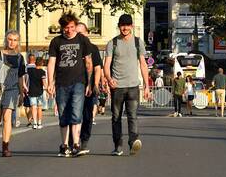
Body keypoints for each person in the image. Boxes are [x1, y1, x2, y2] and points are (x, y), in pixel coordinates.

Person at [47, 13, 94, 158]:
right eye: (66, 28)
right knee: (63, 114)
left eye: (72, 27)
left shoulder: (82, 40)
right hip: (61, 83)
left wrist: (89, 82)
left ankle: (76, 144)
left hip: (79, 82)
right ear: (62, 28)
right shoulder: (56, 42)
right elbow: (52, 62)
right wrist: (50, 82)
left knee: (76, 113)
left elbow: (88, 63)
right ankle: (64, 145)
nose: (69, 30)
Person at [104, 14, 150, 156]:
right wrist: (109, 78)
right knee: (116, 116)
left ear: (131, 26)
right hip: (117, 86)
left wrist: (147, 85)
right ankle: (118, 146)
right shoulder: (113, 43)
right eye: (122, 25)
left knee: (133, 115)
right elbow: (106, 65)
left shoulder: (138, 42)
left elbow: (143, 64)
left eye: (127, 25)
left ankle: (133, 142)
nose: (124, 28)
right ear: (119, 26)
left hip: (133, 86)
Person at [0, 32, 27, 156]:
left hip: (12, 89)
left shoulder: (20, 58)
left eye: (15, 40)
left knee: (7, 117)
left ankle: (5, 146)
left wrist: (21, 93)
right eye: (10, 39)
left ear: (18, 42)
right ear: (6, 40)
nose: (12, 42)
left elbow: (21, 77)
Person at [77, 20, 105, 155]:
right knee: (74, 114)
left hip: (89, 86)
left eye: (81, 33)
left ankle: (84, 140)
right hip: (74, 85)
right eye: (77, 33)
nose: (79, 36)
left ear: (87, 33)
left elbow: (98, 68)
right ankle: (72, 142)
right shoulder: (73, 48)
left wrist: (95, 84)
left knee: (87, 115)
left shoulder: (93, 48)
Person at [25, 53, 46, 130]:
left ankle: (34, 124)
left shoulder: (30, 70)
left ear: (35, 63)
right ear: (42, 63)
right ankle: (39, 123)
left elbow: (26, 78)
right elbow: (44, 83)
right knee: (39, 108)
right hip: (39, 91)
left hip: (31, 91)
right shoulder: (42, 72)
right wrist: (47, 89)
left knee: (33, 107)